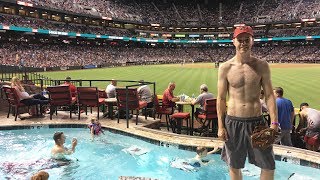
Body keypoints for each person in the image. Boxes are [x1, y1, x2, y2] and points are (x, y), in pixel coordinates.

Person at [217, 25, 278, 180]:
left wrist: (274, 123)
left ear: (252, 41)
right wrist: (220, 126)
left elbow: (270, 95)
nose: (243, 43)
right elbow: (221, 98)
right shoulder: (225, 67)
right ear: (233, 42)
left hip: (257, 123)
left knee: (268, 165)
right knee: (234, 165)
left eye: (246, 39)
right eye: (240, 40)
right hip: (233, 122)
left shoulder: (262, 65)